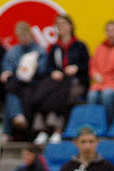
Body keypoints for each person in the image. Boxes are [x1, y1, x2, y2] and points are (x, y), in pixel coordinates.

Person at [31, 13, 89, 145]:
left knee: (61, 95)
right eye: (58, 25)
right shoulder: (55, 47)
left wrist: (76, 68)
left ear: (70, 26)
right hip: (58, 81)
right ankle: (42, 130)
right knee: (42, 94)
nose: (61, 27)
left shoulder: (80, 46)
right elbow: (49, 67)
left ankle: (56, 129)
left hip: (75, 81)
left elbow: (86, 66)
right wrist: (54, 72)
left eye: (63, 24)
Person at [0, 21, 48, 141]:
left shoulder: (40, 50)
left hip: (34, 83)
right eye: (20, 36)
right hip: (17, 83)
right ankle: (17, 117)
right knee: (11, 90)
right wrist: (6, 72)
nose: (22, 38)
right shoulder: (14, 51)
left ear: (30, 34)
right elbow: (7, 65)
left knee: (14, 92)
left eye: (24, 35)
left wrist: (34, 66)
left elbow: (43, 71)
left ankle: (8, 130)